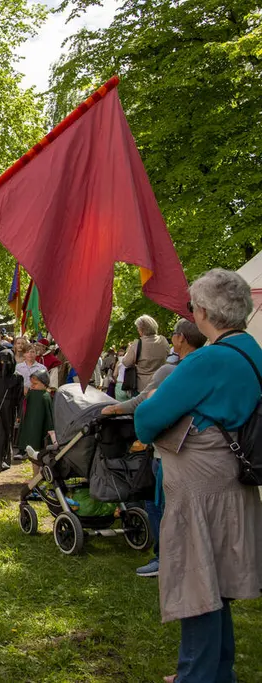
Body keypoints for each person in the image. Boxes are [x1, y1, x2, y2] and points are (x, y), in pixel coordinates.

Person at [133, 270, 262, 683]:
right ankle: (216, 672)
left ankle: (197, 676)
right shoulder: (252, 350)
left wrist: (152, 404)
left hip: (202, 486)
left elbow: (146, 420)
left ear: (203, 311)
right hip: (232, 482)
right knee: (216, 579)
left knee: (198, 580)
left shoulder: (209, 358)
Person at [102, 319, 207, 579]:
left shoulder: (170, 372)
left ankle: (164, 558)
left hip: (168, 449)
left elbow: (142, 401)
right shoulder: (208, 368)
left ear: (180, 339)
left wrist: (112, 408)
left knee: (157, 503)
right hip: (201, 449)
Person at [121, 314, 170, 392]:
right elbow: (168, 355)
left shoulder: (138, 343)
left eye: (138, 328)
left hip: (142, 386)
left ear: (142, 329)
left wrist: (129, 350)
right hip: (160, 384)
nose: (137, 330)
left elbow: (126, 362)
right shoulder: (163, 340)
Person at [17, 370, 55, 458]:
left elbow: (49, 416)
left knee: (37, 434)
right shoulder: (31, 393)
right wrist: (20, 415)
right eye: (31, 383)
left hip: (39, 422)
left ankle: (38, 448)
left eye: (35, 383)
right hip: (28, 419)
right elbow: (24, 405)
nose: (32, 385)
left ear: (44, 383)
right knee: (27, 432)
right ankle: (23, 449)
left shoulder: (45, 396)